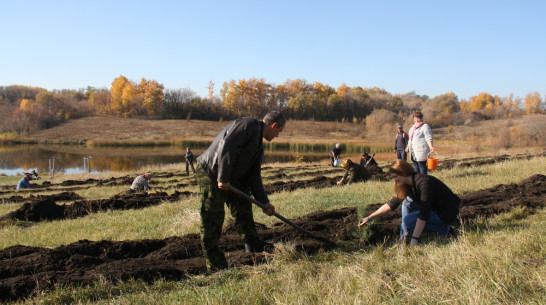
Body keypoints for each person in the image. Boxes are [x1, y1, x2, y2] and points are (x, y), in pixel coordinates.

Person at [195, 110, 286, 270]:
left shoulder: (259, 146)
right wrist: (222, 177)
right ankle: (214, 261)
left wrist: (264, 202)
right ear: (274, 125)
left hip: (231, 177)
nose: (278, 135)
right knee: (213, 216)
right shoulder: (248, 125)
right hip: (211, 172)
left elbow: (254, 176)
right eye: (279, 131)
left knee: (243, 207)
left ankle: (253, 243)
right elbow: (227, 146)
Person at [358, 160, 460, 246]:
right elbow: (392, 203)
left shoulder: (424, 183)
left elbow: (424, 214)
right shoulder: (408, 184)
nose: (394, 180)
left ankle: (444, 229)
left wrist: (415, 240)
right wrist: (369, 217)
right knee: (406, 202)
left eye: (395, 177)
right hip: (435, 209)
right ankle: (404, 236)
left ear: (403, 173)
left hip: (446, 213)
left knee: (408, 220)